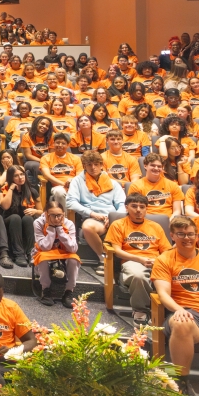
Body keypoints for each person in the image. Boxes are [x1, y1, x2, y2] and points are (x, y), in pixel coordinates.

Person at [105, 192, 171, 324]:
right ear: (126, 207)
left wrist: (159, 261)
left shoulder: (155, 226)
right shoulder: (118, 225)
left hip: (156, 261)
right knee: (139, 275)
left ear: (147, 208)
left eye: (142, 207)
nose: (138, 210)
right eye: (134, 206)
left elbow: (167, 250)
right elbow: (117, 251)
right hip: (131, 261)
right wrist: (140, 259)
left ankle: (169, 309)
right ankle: (141, 309)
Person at [152, 215, 199, 388]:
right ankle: (182, 384)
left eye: (190, 234)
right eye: (181, 234)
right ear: (172, 236)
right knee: (182, 322)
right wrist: (179, 309)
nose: (187, 238)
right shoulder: (164, 259)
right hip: (185, 311)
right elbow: (163, 294)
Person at [66, 150, 127, 276]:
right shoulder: (77, 181)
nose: (93, 167)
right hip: (93, 217)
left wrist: (114, 218)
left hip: (111, 217)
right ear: (84, 166)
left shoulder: (113, 183)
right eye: (89, 164)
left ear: (101, 165)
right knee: (87, 227)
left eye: (96, 164)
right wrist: (92, 213)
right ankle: (104, 259)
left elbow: (122, 204)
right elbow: (71, 202)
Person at [0, 165, 40, 268]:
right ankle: (19, 254)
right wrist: (11, 189)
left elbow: (42, 211)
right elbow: (5, 206)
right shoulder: (3, 189)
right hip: (10, 222)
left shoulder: (32, 191)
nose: (20, 177)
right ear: (11, 178)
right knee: (15, 217)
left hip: (26, 222)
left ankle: (31, 253)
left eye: (22, 174)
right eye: (16, 176)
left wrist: (35, 210)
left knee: (28, 218)